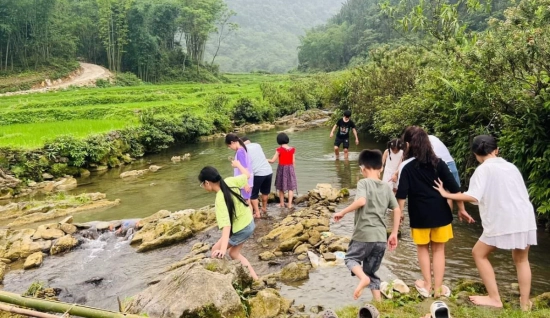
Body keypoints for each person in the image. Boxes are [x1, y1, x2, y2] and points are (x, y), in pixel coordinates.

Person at [433, 135, 537, 311]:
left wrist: (446, 194)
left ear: (475, 153)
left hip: (504, 219)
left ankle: (494, 298)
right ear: (496, 150)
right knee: (521, 259)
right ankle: (525, 303)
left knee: (478, 253)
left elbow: (473, 196)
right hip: (525, 217)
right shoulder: (511, 167)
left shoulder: (483, 170)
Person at [396, 126, 474, 298]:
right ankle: (438, 288)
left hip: (419, 216)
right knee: (439, 250)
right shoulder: (439, 163)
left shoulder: (406, 167)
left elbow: (401, 195)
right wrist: (461, 209)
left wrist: (399, 214)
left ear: (408, 144)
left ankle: (427, 285)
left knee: (422, 249)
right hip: (441, 214)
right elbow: (456, 190)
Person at [333, 149, 401, 301]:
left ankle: (363, 279)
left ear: (362, 168)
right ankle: (378, 305)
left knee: (350, 258)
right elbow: (397, 209)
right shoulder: (385, 186)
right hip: (380, 238)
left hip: (364, 234)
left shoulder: (363, 182)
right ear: (381, 168)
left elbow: (362, 201)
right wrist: (394, 233)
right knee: (371, 272)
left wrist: (343, 212)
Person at [198, 161, 258, 280]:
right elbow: (248, 174)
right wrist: (238, 165)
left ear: (207, 183)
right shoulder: (230, 180)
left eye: (202, 185)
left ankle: (223, 279)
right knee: (233, 253)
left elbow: (226, 226)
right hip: (248, 222)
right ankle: (256, 279)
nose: (203, 187)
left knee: (216, 250)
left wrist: (222, 249)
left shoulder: (220, 200)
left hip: (242, 228)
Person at [241, 137, 273, 218]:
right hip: (268, 171)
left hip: (258, 173)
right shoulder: (257, 145)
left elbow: (245, 165)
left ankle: (257, 213)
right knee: (265, 192)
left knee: (253, 195)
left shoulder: (243, 149)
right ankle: (264, 208)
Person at [268, 133, 297, 209]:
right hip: (290, 169)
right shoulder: (292, 149)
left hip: (282, 169)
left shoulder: (279, 150)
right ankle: (290, 204)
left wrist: (264, 159)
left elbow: (272, 161)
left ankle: (282, 203)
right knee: (290, 188)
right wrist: (293, 171)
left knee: (281, 187)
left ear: (279, 141)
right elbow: (293, 161)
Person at [225, 133, 253, 206]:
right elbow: (243, 165)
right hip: (246, 180)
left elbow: (245, 168)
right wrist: (236, 165)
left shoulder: (240, 152)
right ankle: (250, 217)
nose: (230, 148)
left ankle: (249, 217)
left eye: (229, 146)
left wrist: (245, 184)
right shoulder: (242, 149)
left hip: (244, 182)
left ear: (232, 142)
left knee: (246, 203)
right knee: (247, 201)